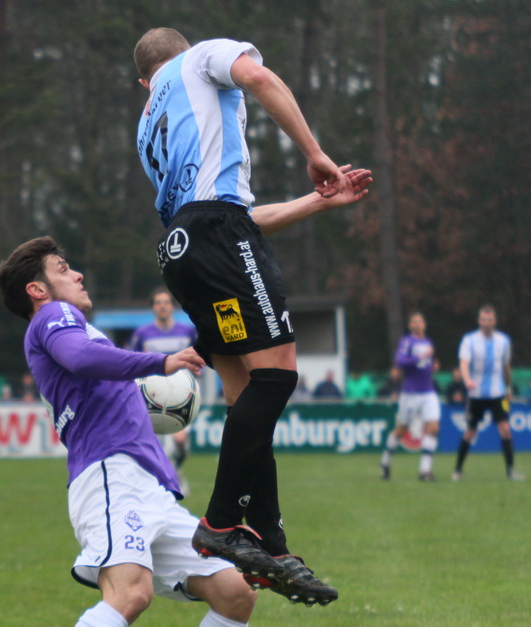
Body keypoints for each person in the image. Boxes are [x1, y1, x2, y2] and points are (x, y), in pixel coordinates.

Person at [134, 28, 371, 604]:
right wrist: (315, 155)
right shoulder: (202, 57)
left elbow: (235, 213)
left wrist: (317, 201)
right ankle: (220, 523)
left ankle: (271, 544)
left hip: (183, 249)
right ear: (183, 52)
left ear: (144, 81)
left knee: (247, 399)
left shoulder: (147, 124)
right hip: (218, 237)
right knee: (278, 376)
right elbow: (259, 77)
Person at [0, 237, 258, 626]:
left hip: (147, 484)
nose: (78, 274)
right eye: (63, 269)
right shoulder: (54, 314)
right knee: (130, 594)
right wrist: (160, 363)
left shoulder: (70, 326)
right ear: (37, 290)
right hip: (112, 476)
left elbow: (89, 361)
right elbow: (80, 357)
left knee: (234, 591)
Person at [129, 287, 198, 494]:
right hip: (152, 397)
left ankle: (176, 470)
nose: (162, 306)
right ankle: (162, 479)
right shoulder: (142, 334)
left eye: (166, 302)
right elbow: (131, 361)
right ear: (153, 307)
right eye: (158, 303)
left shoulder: (187, 332)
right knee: (154, 443)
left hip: (181, 395)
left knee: (180, 440)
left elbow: (199, 356)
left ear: (172, 306)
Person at [452, 305, 523, 481]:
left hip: (499, 394)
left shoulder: (503, 341)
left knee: (505, 429)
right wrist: (467, 380)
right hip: (476, 395)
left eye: (489, 320)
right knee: (470, 432)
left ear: (494, 321)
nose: (486, 323)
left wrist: (508, 388)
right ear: (479, 321)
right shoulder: (469, 340)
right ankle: (458, 470)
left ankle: (510, 471)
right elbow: (464, 363)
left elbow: (506, 366)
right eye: (483, 320)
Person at [379, 312, 441, 481]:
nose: (417, 324)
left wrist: (433, 366)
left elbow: (427, 364)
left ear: (424, 324)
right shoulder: (407, 342)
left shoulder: (428, 342)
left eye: (420, 321)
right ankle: (385, 461)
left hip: (428, 391)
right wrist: (420, 357)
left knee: (434, 428)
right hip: (410, 393)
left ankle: (425, 470)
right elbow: (400, 361)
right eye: (414, 321)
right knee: (401, 430)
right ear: (410, 325)